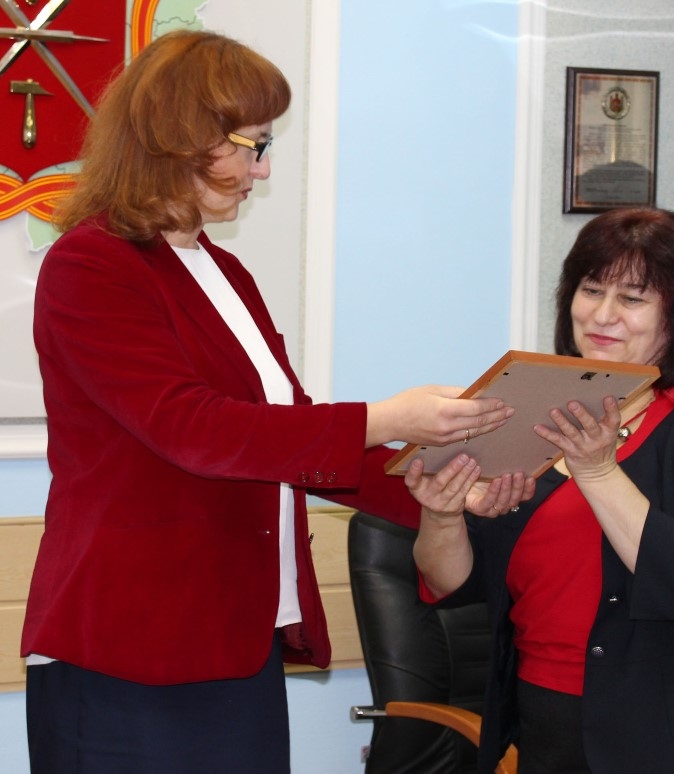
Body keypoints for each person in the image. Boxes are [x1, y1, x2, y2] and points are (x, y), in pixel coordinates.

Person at [21, 29, 521, 774]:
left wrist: (441, 485)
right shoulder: (91, 263)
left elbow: (286, 438)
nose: (262, 168)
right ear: (181, 136)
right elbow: (192, 429)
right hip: (130, 650)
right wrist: (389, 417)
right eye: (253, 145)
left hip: (235, 639)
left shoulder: (224, 272)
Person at [405, 207, 674, 774]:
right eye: (591, 290)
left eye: (633, 298)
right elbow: (453, 585)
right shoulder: (531, 411)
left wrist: (599, 471)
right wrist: (441, 517)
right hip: (545, 720)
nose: (604, 315)